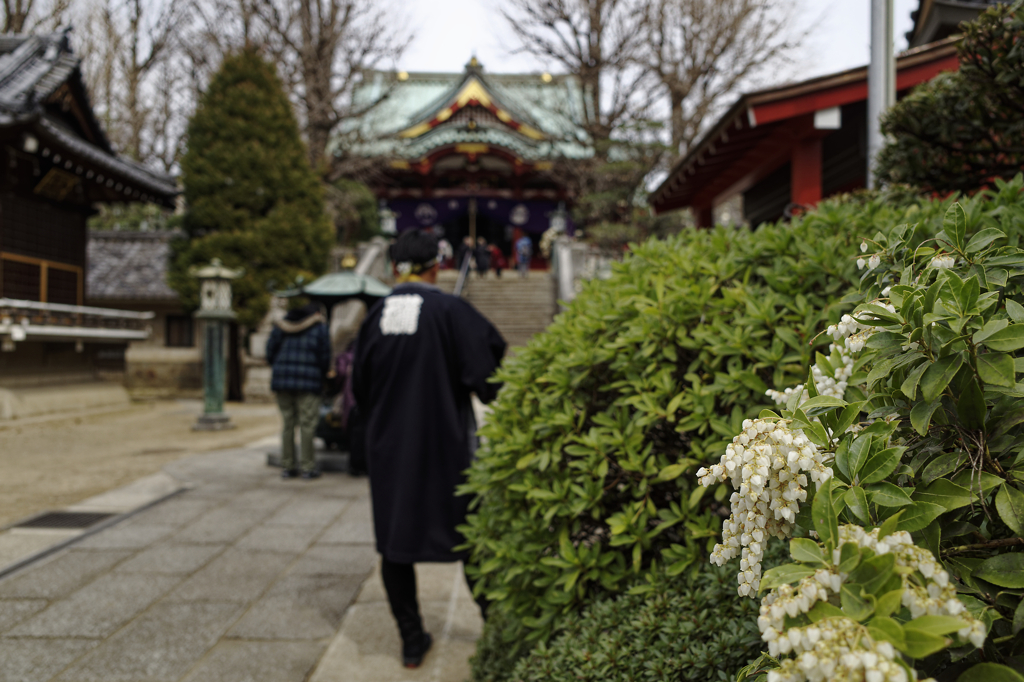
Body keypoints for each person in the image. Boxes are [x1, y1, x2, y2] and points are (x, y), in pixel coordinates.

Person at [352, 229, 506, 668]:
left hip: (389, 451)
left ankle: (411, 639)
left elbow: (358, 389)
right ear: (436, 267)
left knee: (395, 544)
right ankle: (496, 629)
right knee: (470, 538)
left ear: (394, 268)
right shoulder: (451, 310)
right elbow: (487, 378)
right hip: (446, 448)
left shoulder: (374, 316)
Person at [266, 302, 331, 479]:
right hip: (308, 382)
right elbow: (324, 356)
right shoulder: (319, 328)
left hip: (282, 381)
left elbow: (270, 352)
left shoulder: (281, 326)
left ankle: (288, 467)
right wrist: (322, 375)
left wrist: (280, 368)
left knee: (287, 424)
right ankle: (308, 467)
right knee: (307, 425)